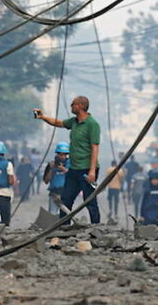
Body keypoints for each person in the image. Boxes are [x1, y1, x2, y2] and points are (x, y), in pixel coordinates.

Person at [34, 96, 101, 224]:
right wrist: (43, 117)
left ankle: (96, 228)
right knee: (66, 200)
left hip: (87, 169)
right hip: (74, 169)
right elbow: (59, 123)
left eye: (73, 104)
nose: (71, 107)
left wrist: (92, 171)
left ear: (80, 106)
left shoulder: (92, 124)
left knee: (89, 200)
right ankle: (64, 227)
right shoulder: (74, 122)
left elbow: (95, 148)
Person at [43, 143, 71, 213]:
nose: (62, 157)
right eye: (60, 154)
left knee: (65, 214)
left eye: (64, 154)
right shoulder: (51, 164)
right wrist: (51, 169)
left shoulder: (70, 163)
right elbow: (46, 181)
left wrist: (62, 168)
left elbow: (71, 175)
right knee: (52, 213)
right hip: (54, 193)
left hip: (65, 193)